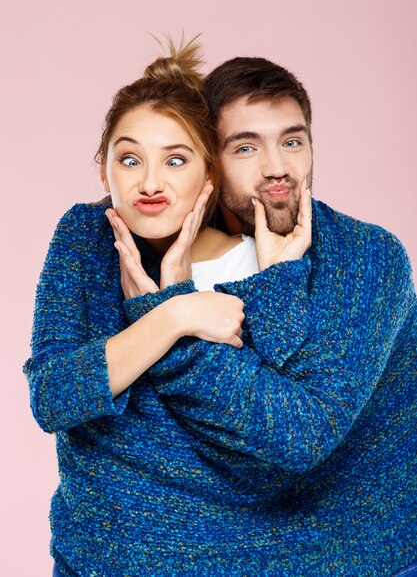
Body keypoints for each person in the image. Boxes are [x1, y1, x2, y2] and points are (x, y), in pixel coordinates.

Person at [24, 39, 313, 577]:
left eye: (175, 160)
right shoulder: (85, 237)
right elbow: (53, 396)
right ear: (104, 169)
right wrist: (171, 314)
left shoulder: (256, 264)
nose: (149, 183)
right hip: (92, 560)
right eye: (128, 159)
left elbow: (270, 441)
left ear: (209, 176)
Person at [144, 56, 417, 576]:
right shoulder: (166, 258)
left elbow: (295, 434)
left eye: (292, 141)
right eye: (246, 147)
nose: (277, 168)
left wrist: (176, 313)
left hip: (371, 556)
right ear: (209, 161)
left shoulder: (369, 258)